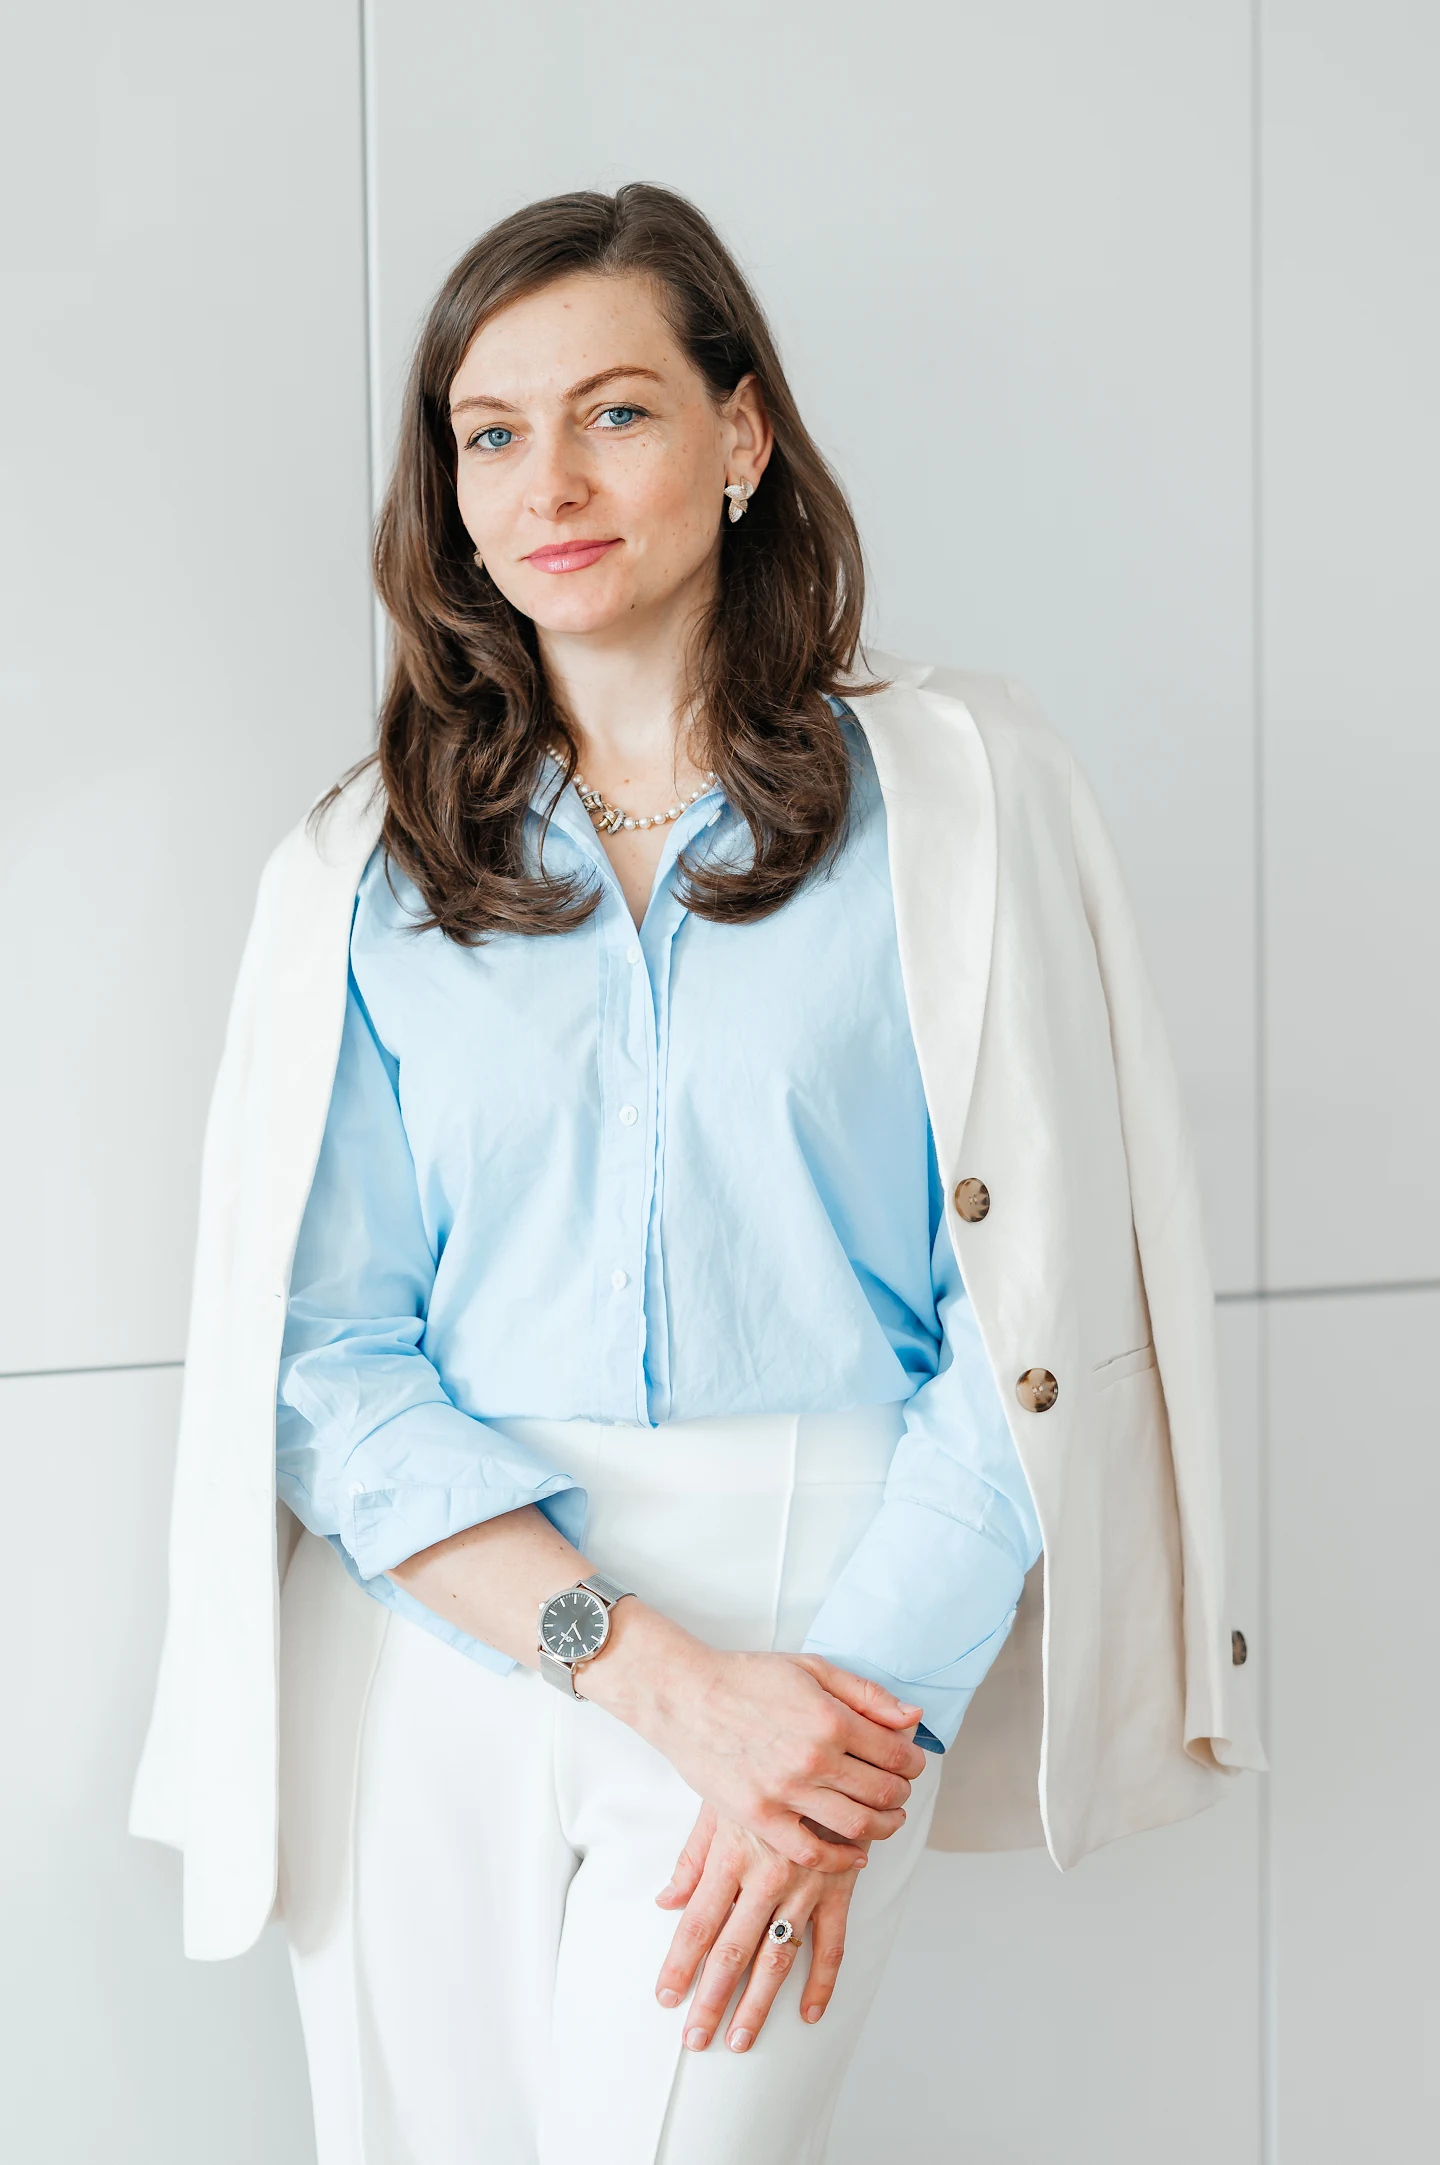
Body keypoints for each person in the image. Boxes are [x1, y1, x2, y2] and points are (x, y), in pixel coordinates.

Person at [130, 184, 1263, 2165]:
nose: (548, 482)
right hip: (439, 1639)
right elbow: (325, 1358)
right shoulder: (366, 869)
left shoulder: (963, 795)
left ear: (742, 437)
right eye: (491, 432)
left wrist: (844, 1722)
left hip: (824, 1612)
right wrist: (643, 1672)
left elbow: (1036, 1316)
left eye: (617, 412)